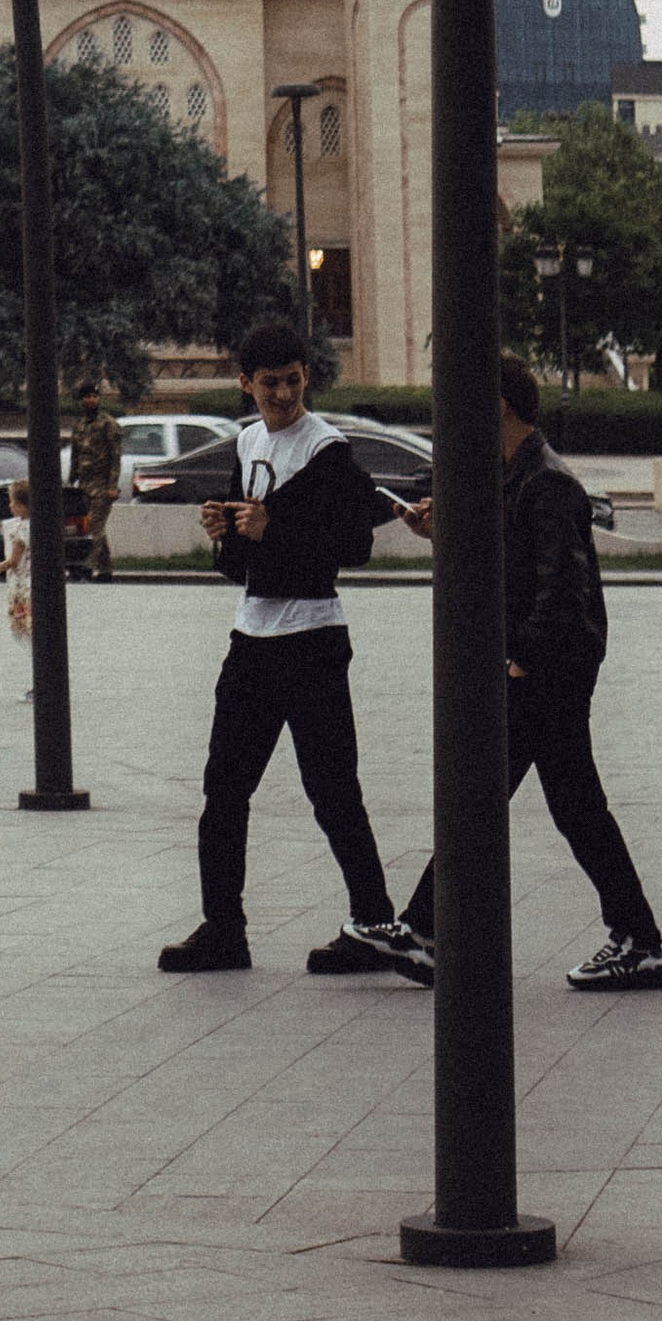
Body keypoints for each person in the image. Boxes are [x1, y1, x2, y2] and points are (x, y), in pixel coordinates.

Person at [158, 323, 425, 979]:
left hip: (311, 637)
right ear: (245, 384)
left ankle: (372, 922)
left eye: (293, 379)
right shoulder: (247, 441)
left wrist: (274, 528)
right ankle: (224, 928)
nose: (282, 393)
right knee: (224, 787)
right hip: (252, 635)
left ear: (307, 377)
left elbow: (351, 546)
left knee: (331, 790)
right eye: (269, 382)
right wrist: (227, 536)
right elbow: (241, 567)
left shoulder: (327, 450)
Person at [396, 359, 662, 992]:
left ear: (495, 407)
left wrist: (524, 659)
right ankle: (638, 939)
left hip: (547, 668)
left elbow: (561, 588)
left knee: (482, 793)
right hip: (546, 665)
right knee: (569, 804)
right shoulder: (517, 476)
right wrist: (442, 534)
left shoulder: (547, 484)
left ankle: (426, 929)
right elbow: (510, 565)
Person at [74, 390, 122, 582]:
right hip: (84, 483)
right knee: (95, 527)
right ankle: (105, 570)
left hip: (102, 483)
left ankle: (87, 567)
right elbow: (75, 454)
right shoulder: (79, 425)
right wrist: (72, 479)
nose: (90, 399)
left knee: (95, 524)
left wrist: (112, 486)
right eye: (87, 396)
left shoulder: (108, 424)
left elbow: (115, 457)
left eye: (94, 395)